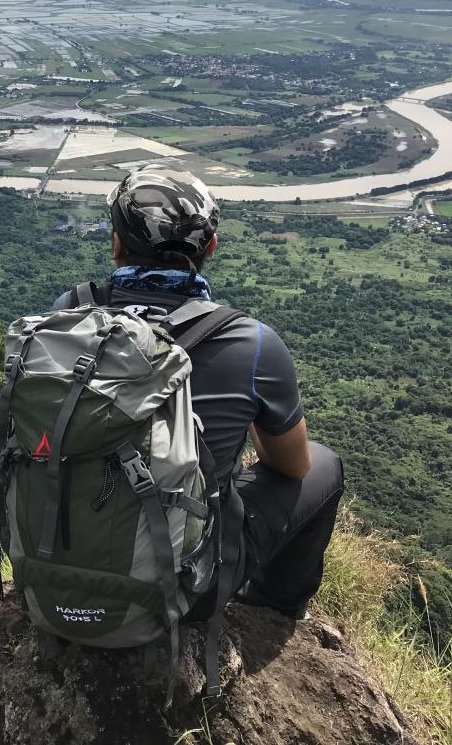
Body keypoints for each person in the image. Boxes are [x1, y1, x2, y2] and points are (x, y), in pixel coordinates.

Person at [51, 163, 344, 620]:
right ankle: (274, 608)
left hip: (57, 571)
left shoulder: (67, 315)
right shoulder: (250, 342)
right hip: (188, 593)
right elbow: (292, 465)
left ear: (115, 243)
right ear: (210, 245)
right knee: (324, 464)